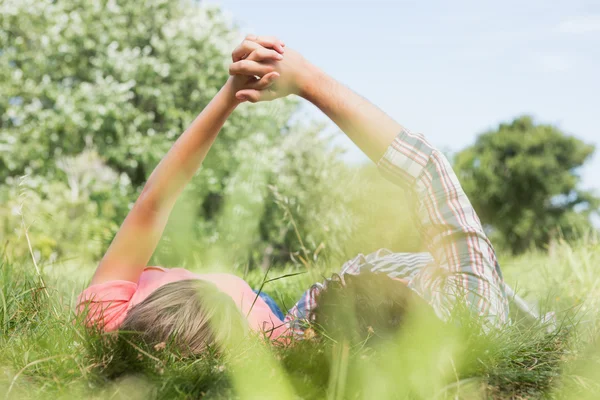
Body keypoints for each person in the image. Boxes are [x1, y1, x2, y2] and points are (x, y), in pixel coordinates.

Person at [77, 35, 509, 353]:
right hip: (298, 323)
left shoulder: (104, 318)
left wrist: (232, 94)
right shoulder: (472, 307)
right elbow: (425, 168)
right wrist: (305, 80)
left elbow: (157, 199)